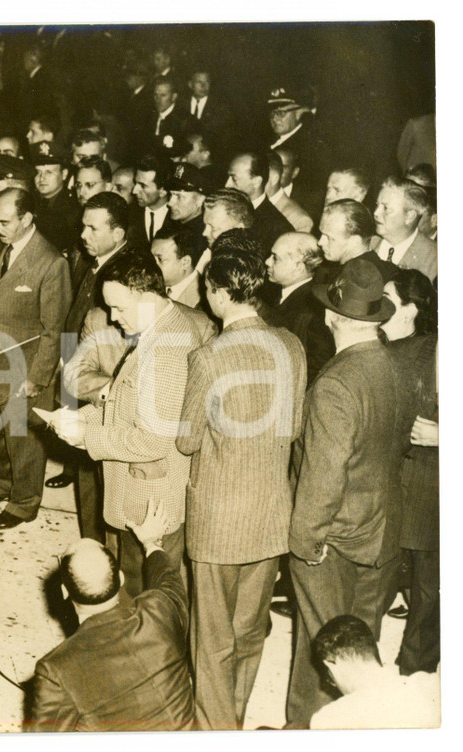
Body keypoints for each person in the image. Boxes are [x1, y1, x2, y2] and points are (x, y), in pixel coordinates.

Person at [177, 246, 306, 729]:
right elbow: (292, 428)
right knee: (249, 631)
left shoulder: (208, 356)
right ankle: (234, 718)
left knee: (211, 639)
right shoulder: (291, 345)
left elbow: (187, 440)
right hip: (272, 511)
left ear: (219, 293)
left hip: (218, 516)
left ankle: (214, 734)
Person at [286, 257, 409, 727]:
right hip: (381, 530)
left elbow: (323, 476)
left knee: (319, 652)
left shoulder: (337, 382)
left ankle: (305, 731)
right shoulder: (393, 366)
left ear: (332, 317)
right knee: (362, 652)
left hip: (333, 539)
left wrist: (304, 541)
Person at [54, 249, 214, 592]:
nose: (113, 317)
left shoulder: (165, 352)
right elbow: (128, 404)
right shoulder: (160, 330)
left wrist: (87, 437)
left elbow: (152, 439)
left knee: (146, 595)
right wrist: (81, 417)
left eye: (120, 308)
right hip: (145, 496)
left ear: (147, 297)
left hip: (150, 503)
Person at [26, 500, 194, 731]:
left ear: (65, 592)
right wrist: (151, 542)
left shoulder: (57, 669)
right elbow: (167, 579)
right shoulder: (160, 610)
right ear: (121, 580)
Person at [0, 188, 71, 529]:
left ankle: (23, 502)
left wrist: (37, 378)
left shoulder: (51, 263)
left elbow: (54, 330)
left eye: (5, 222)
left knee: (22, 441)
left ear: (27, 219)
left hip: (24, 366)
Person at [56, 192, 132, 540]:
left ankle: (101, 548)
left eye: (92, 227)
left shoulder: (125, 274)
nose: (83, 235)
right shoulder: (95, 262)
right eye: (83, 225)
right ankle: (92, 542)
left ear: (117, 234)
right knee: (88, 476)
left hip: (102, 390)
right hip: (82, 376)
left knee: (102, 480)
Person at [382, 270, 439, 675]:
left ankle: (416, 672)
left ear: (411, 308)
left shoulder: (434, 350)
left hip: (428, 486)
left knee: (427, 587)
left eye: (387, 298)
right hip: (390, 483)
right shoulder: (386, 350)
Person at [309, 615, 439, 729]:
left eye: (330, 679)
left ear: (331, 666)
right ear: (379, 650)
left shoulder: (329, 719)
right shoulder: (431, 686)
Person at [263, 232, 334, 383]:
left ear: (298, 267)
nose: (267, 262)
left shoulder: (313, 309)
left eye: (275, 258)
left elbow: (316, 366)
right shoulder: (282, 293)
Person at [372, 176, 437, 281]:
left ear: (409, 216)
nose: (376, 213)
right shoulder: (366, 245)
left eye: (386, 208)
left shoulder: (433, 259)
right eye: (377, 205)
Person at [226, 151, 292, 253]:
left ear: (256, 182)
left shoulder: (277, 228)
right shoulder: (226, 208)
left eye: (234, 179)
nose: (227, 185)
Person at [317, 199, 396, 283]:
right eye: (321, 234)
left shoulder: (358, 280)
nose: (320, 242)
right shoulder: (379, 267)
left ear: (355, 241)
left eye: (329, 237)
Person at [151, 227, 206, 308]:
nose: (152, 265)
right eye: (152, 258)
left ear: (185, 262)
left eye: (160, 259)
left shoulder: (203, 301)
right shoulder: (150, 289)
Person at [130, 153, 177, 245]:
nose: (134, 191)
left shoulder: (178, 219)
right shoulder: (129, 215)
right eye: (135, 183)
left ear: (163, 191)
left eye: (142, 186)